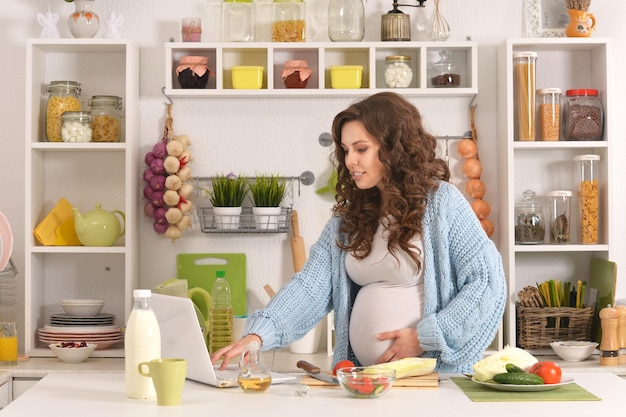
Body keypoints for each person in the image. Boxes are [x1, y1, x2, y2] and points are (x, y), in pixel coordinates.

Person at [211, 92, 507, 374]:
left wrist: (425, 337)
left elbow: (487, 284)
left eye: (361, 148)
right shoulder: (348, 218)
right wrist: (257, 336)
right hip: (363, 378)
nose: (350, 159)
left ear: (393, 147)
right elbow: (310, 288)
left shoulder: (443, 203)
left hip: (432, 379)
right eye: (345, 150)